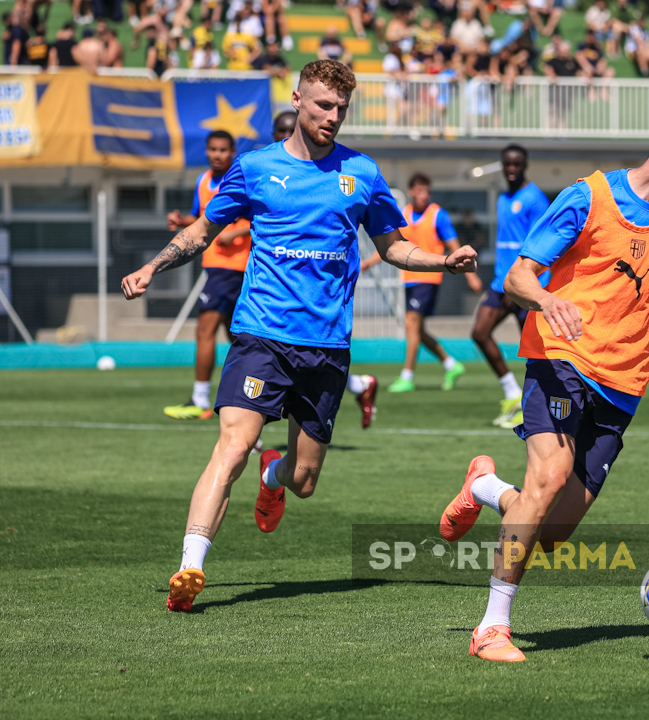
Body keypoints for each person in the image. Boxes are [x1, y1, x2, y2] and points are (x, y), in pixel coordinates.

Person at [120, 60, 478, 613]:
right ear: (297, 100)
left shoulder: (361, 172)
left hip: (327, 346)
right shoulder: (256, 168)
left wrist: (443, 263)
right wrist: (152, 267)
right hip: (261, 335)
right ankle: (190, 567)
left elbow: (392, 247)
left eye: (341, 108)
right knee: (233, 446)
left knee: (304, 480)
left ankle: (275, 473)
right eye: (322, 106)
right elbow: (201, 230)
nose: (332, 117)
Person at [438, 94, 649, 662]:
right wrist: (547, 299)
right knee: (549, 476)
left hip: (626, 384)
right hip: (560, 359)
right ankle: (491, 628)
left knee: (554, 531)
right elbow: (517, 276)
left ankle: (484, 488)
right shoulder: (586, 197)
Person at [361, 173, 482, 393]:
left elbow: (454, 245)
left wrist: (471, 275)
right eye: (419, 190)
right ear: (411, 192)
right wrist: (368, 263)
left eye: (426, 190)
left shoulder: (438, 215)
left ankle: (407, 375)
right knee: (416, 328)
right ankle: (450, 364)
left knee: (411, 324)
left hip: (429, 278)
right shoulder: (404, 214)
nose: (423, 195)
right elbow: (392, 245)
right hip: (408, 279)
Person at [161, 132, 252, 420]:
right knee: (240, 338)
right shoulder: (203, 181)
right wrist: (182, 221)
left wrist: (234, 233)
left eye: (223, 150)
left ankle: (200, 399)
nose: (217, 154)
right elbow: (204, 218)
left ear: (233, 151)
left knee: (205, 330)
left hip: (234, 266)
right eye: (213, 149)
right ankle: (262, 393)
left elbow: (262, 219)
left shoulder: (241, 179)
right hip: (214, 265)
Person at [471, 145, 550, 429]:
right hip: (501, 283)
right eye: (507, 164)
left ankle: (534, 409)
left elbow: (540, 246)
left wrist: (523, 287)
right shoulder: (503, 198)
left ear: (525, 164)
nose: (512, 169)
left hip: (527, 285)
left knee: (535, 354)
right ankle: (512, 393)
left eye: (517, 164)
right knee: (479, 333)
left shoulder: (535, 199)